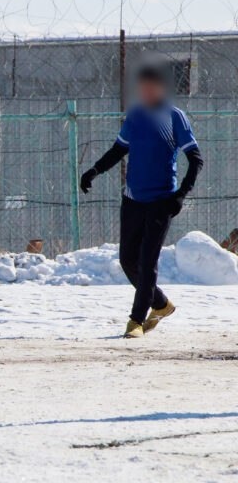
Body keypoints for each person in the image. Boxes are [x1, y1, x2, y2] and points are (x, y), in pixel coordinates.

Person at [80, 66, 203, 338]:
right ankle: (160, 303)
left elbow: (196, 159)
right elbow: (119, 149)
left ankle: (136, 321)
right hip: (133, 200)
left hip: (161, 201)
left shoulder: (174, 117)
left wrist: (180, 195)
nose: (145, 92)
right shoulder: (135, 115)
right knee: (128, 260)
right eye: (142, 87)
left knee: (147, 262)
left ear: (161, 88)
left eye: (150, 87)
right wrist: (94, 171)